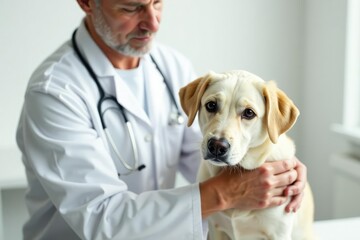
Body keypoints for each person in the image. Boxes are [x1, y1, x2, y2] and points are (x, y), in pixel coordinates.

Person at [16, 0, 307, 239]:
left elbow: (209, 156)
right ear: (87, 3)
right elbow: (101, 220)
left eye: (157, 2)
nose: (153, 23)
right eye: (131, 8)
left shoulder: (170, 66)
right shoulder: (54, 92)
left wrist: (278, 170)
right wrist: (223, 194)